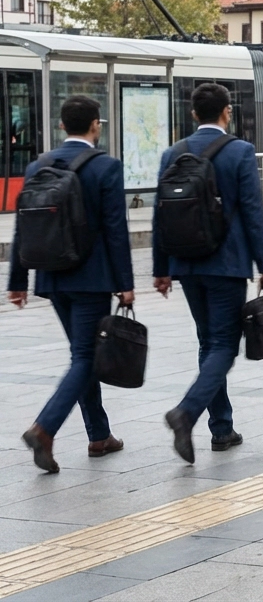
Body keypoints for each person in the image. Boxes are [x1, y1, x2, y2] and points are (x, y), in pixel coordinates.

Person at [10, 96, 134, 473]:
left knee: (83, 356)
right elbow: (116, 229)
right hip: (91, 279)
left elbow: (24, 225)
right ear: (96, 124)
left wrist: (18, 281)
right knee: (85, 358)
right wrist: (125, 284)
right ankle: (44, 428)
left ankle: (99, 435)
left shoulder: (38, 166)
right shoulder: (106, 167)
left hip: (51, 277)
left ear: (62, 126)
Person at [153, 83, 263, 463]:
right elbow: (253, 213)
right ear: (227, 112)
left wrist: (161, 270)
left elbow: (161, 215)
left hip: (187, 264)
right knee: (224, 345)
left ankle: (221, 428)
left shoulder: (174, 152)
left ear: (193, 115)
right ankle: (186, 413)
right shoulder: (240, 152)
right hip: (227, 264)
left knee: (208, 342)